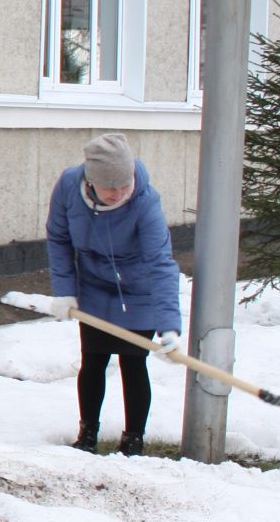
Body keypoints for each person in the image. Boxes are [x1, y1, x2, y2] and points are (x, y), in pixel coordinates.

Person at [45, 133, 183, 456]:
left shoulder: (144, 201)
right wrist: (65, 291)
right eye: (111, 187)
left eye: (125, 185)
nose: (120, 193)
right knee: (93, 359)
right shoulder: (69, 186)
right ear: (92, 181)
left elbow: (161, 264)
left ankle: (134, 439)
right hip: (93, 284)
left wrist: (169, 327)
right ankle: (87, 434)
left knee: (134, 362)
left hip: (138, 288)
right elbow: (58, 238)